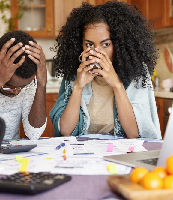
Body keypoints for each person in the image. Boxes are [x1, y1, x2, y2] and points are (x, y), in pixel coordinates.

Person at [50, 1, 161, 139]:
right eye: (89, 44)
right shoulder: (74, 73)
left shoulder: (136, 72)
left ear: (119, 44)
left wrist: (117, 84)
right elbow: (65, 131)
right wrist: (78, 87)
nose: (97, 52)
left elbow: (134, 134)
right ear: (80, 44)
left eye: (106, 44)